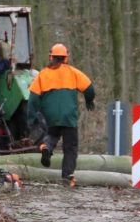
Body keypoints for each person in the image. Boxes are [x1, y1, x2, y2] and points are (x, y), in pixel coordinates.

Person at [28, 43, 95, 187]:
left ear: (51, 57)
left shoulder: (43, 74)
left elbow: (32, 98)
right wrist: (89, 100)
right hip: (69, 117)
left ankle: (46, 147)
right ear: (65, 58)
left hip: (51, 116)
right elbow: (89, 87)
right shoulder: (73, 72)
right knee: (70, 147)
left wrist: (31, 118)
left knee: (52, 135)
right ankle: (67, 177)